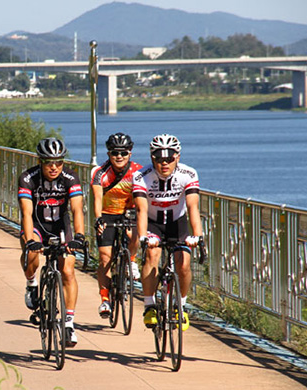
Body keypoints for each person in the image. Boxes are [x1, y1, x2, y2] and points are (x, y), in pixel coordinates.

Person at [18, 137, 86, 347]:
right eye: (49, 162)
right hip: (37, 225)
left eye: (59, 162)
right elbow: (26, 213)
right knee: (31, 254)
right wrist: (30, 240)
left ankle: (69, 323)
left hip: (60, 226)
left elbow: (76, 210)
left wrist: (80, 236)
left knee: (68, 271)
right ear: (40, 162)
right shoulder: (28, 178)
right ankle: (32, 284)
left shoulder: (70, 178)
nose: (54, 167)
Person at [132, 134, 203, 332]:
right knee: (152, 255)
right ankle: (149, 305)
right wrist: (144, 237)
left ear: (177, 157)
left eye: (169, 158)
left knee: (184, 263)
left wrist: (198, 236)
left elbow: (193, 207)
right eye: (159, 159)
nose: (164, 163)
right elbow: (141, 210)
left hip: (178, 223)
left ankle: (181, 306)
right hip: (153, 224)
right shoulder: (141, 176)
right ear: (152, 157)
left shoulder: (188, 174)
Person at [91, 132, 142, 318]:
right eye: (114, 153)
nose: (119, 156)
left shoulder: (138, 172)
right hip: (107, 215)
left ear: (130, 153)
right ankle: (105, 300)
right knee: (105, 258)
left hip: (130, 212)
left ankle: (133, 261)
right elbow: (97, 198)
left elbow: (142, 198)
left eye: (123, 152)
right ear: (108, 154)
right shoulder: (100, 173)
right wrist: (98, 218)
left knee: (134, 232)